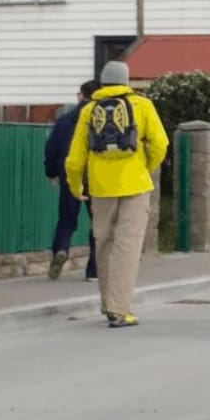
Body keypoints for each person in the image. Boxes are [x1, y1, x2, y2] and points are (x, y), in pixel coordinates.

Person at [65, 61, 168, 328]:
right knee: (127, 246)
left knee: (104, 244)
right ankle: (121, 309)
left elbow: (75, 158)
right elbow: (160, 143)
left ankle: (108, 304)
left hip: (100, 187)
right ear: (126, 80)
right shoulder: (142, 105)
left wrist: (76, 186)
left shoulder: (89, 110)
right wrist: (145, 167)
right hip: (134, 185)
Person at [44, 79, 100, 281]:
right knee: (98, 223)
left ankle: (61, 249)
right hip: (96, 178)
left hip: (69, 175)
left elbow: (51, 148)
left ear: (82, 96)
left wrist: (51, 172)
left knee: (67, 219)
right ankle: (93, 270)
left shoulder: (65, 120)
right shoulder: (100, 119)